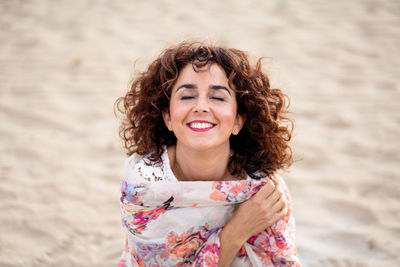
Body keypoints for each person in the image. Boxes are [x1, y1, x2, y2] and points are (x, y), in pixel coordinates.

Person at [115, 41, 301, 267]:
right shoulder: (143, 186)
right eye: (187, 96)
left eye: (218, 97)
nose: (201, 106)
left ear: (239, 120)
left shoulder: (264, 191)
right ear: (167, 118)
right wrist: (235, 233)